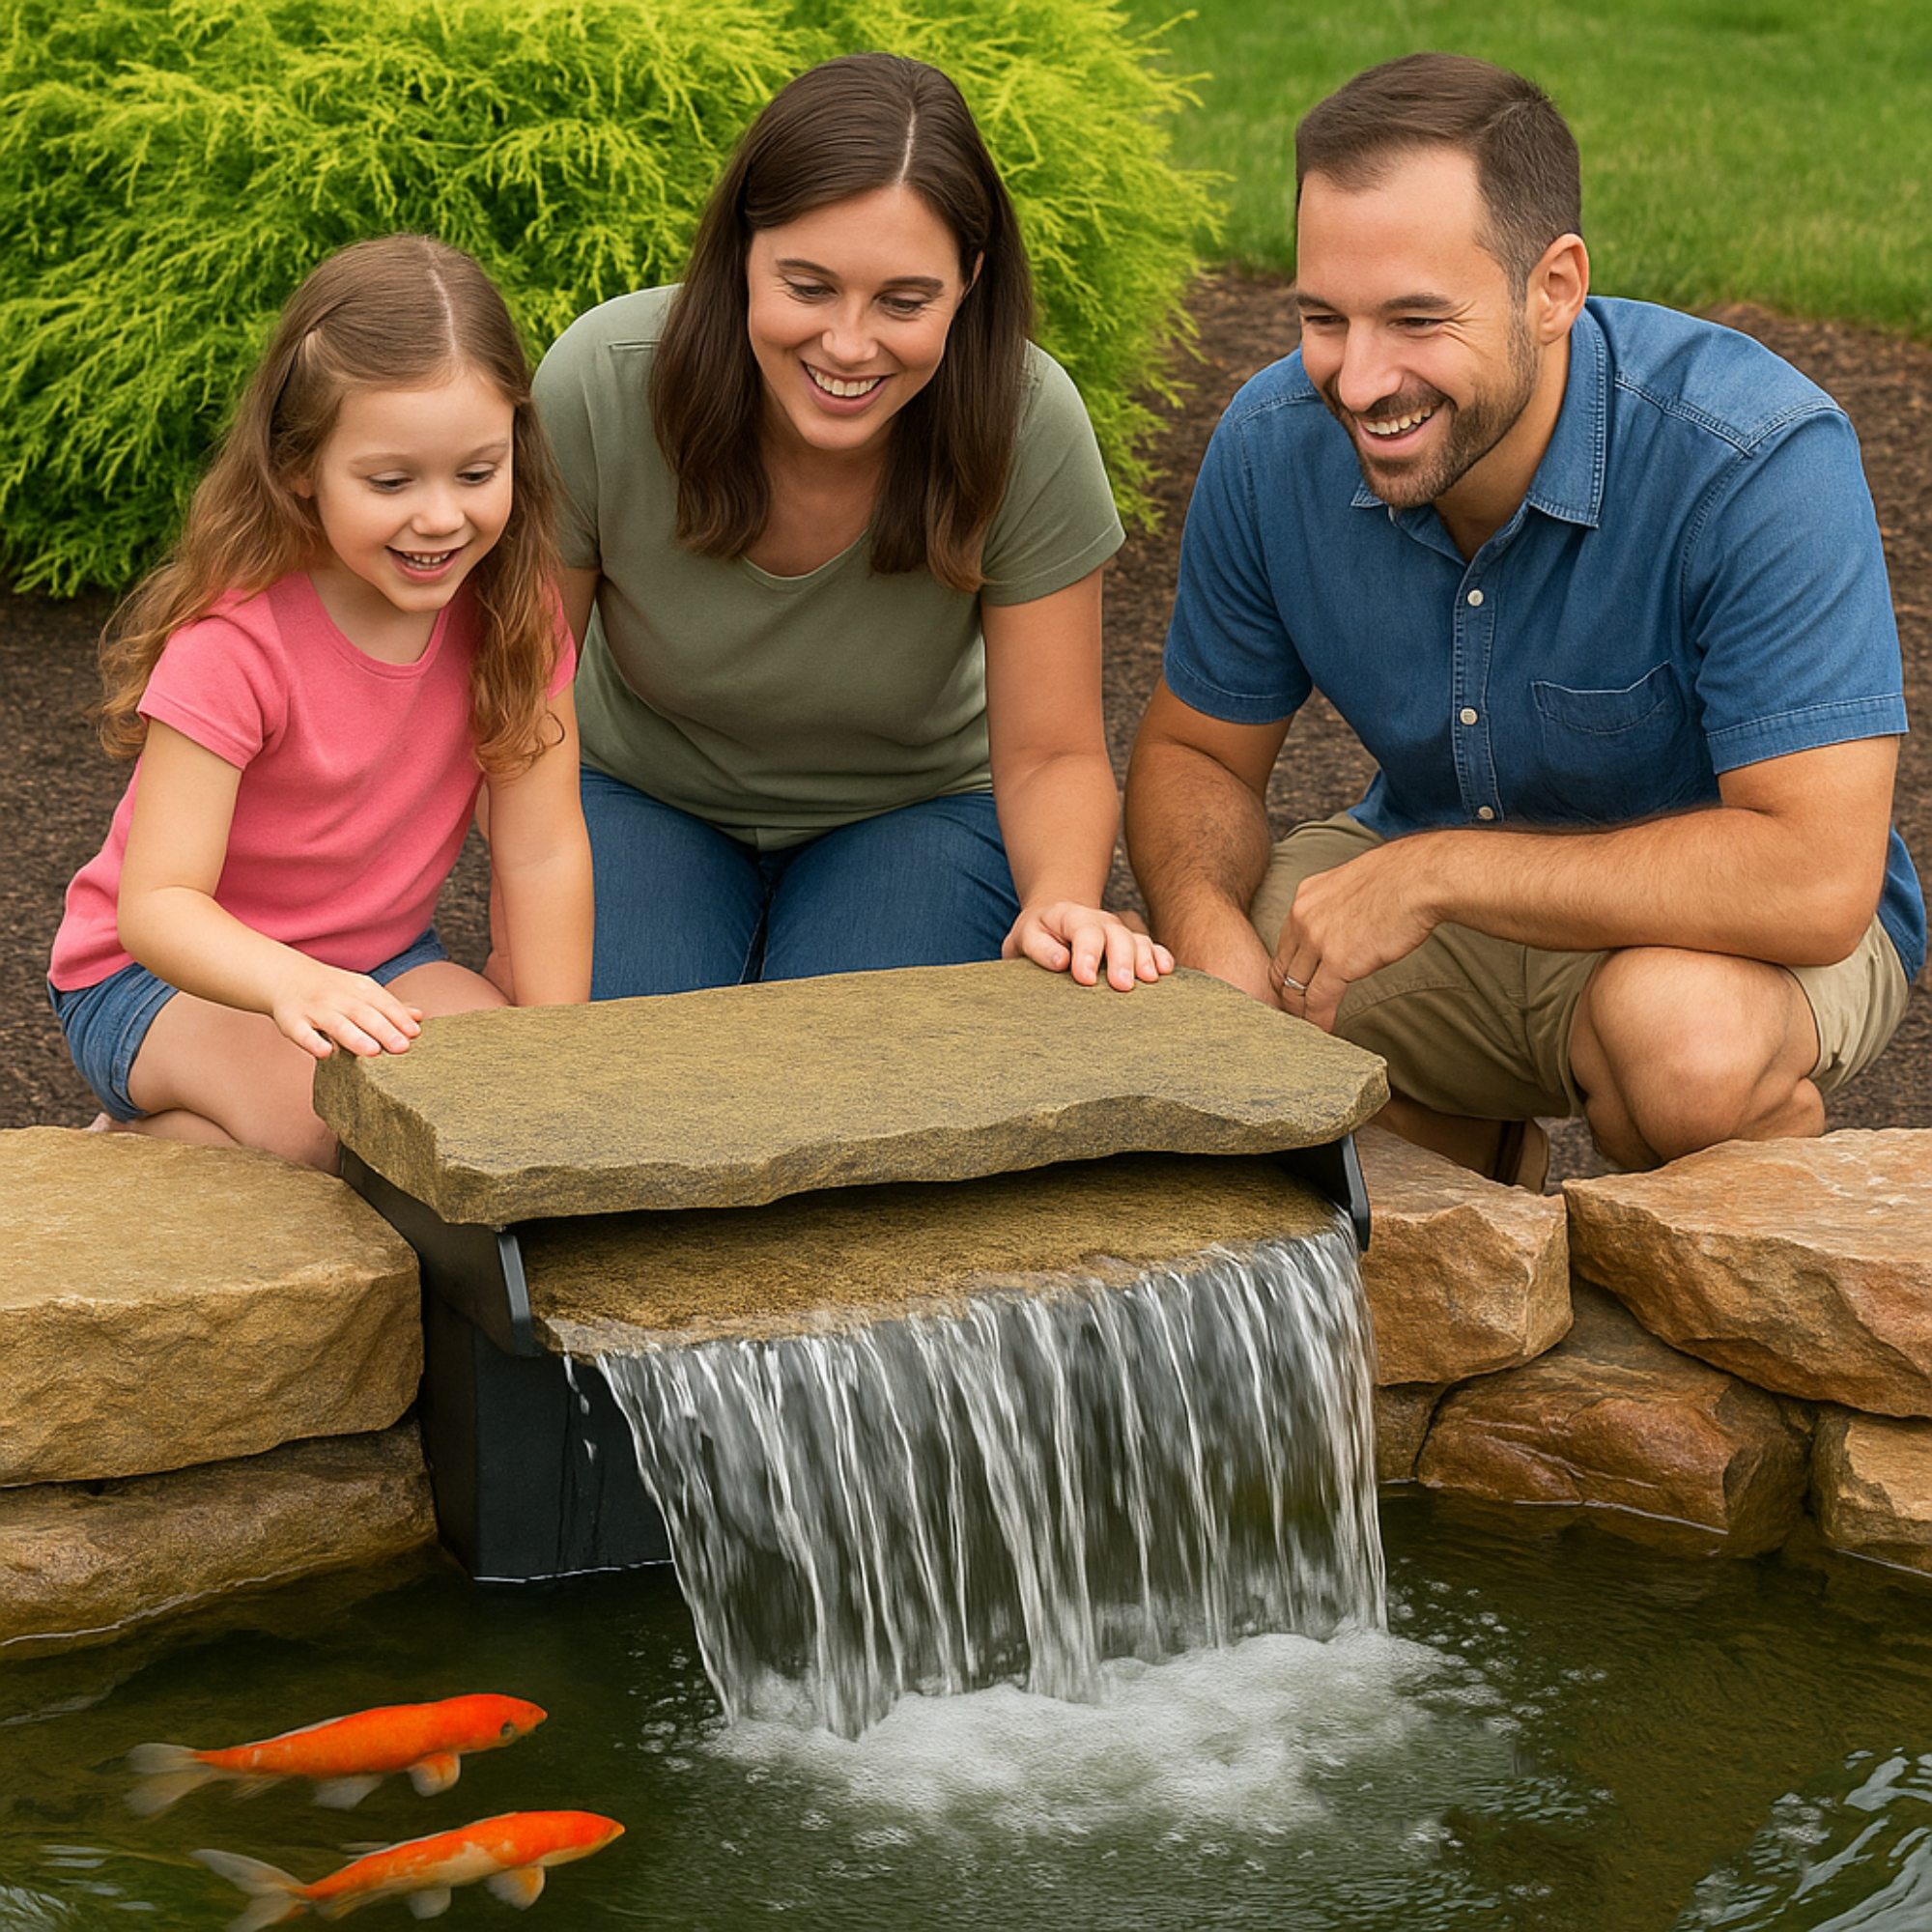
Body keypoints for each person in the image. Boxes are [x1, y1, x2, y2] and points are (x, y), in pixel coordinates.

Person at [1125, 52, 1921, 1184]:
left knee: (1681, 1046)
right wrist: (1203, 933)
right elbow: (1196, 750)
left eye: (1412, 319)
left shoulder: (1752, 457)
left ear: (1551, 288)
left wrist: (1435, 872)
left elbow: (1809, 877)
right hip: (1438, 904)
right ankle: (1470, 1189)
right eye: (1321, 316)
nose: (1355, 380)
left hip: (1727, 941)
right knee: (1249, 984)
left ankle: (1752, 1285)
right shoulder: (1269, 446)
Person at [532, 52, 1169, 1000]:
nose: (846, 344)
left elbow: (1051, 752)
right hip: (641, 792)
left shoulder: (1025, 419)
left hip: (913, 810)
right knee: (624, 1068)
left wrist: (1060, 899)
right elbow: (524, 707)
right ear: (740, 253)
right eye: (807, 286)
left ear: (969, 282)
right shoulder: (599, 382)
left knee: (859, 1090)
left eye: (903, 302)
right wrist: (524, 896)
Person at [48, 235, 593, 1170]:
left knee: (497, 1100)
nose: (439, 517)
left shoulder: (514, 612)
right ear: (300, 465)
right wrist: (291, 984)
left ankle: (232, 1121)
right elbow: (159, 903)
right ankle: (141, 1148)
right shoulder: (236, 643)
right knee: (334, 1129)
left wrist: (556, 1054)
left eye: (476, 472)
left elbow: (541, 847)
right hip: (158, 981)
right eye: (390, 481)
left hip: (379, 964)